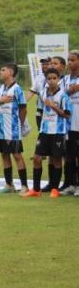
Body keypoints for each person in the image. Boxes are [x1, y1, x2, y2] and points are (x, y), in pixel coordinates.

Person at [26, 68, 70, 198]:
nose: (51, 81)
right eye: (49, 78)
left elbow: (67, 115)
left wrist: (54, 106)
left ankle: (55, 189)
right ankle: (36, 189)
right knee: (37, 158)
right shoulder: (43, 93)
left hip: (57, 132)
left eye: (54, 78)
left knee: (56, 159)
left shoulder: (63, 95)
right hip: (44, 131)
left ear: (59, 79)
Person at [0, 63, 29, 196]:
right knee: (4, 155)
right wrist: (0, 101)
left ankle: (24, 186)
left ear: (11, 72)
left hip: (13, 129)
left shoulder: (17, 89)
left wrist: (21, 124)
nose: (0, 72)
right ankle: (9, 184)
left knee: (17, 155)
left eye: (3, 70)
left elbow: (23, 109)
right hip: (0, 129)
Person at [61, 51, 79, 196]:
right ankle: (71, 184)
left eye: (72, 60)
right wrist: (70, 90)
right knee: (70, 155)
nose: (69, 63)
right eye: (68, 60)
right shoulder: (65, 79)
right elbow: (60, 94)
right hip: (68, 124)